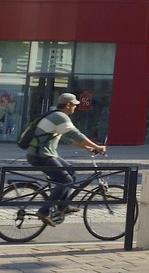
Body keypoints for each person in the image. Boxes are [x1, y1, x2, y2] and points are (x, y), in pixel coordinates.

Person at [24, 92, 107, 225]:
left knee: (71, 172)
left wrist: (86, 148)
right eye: (74, 105)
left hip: (45, 154)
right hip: (40, 156)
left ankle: (64, 206)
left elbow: (66, 139)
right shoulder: (60, 117)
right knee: (66, 180)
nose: (75, 107)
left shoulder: (55, 116)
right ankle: (44, 211)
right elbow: (75, 134)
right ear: (68, 105)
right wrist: (98, 146)